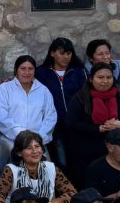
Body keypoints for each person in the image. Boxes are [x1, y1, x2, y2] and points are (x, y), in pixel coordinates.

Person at [64, 62, 120, 189]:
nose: (105, 81)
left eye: (109, 77)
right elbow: (70, 123)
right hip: (88, 155)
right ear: (91, 79)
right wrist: (97, 128)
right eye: (100, 77)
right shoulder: (81, 97)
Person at [0, 130, 76, 203]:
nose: (35, 151)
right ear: (19, 152)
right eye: (29, 148)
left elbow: (72, 193)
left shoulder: (51, 168)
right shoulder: (11, 170)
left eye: (37, 146)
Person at [35, 38, 87, 169]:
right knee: (61, 161)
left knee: (78, 160)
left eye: (69, 53)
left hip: (77, 124)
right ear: (52, 53)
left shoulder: (79, 72)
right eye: (62, 53)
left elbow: (86, 96)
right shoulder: (41, 73)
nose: (66, 57)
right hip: (55, 126)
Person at [0, 55, 57, 149]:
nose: (27, 72)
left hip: (38, 144)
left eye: (30, 69)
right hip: (10, 143)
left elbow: (50, 116)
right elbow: (0, 116)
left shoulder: (43, 91)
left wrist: (38, 137)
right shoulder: (5, 89)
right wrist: (22, 135)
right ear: (16, 70)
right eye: (23, 68)